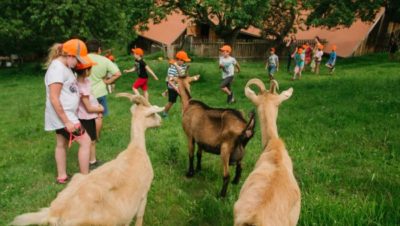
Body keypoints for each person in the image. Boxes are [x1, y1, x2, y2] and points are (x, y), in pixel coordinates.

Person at [44, 39, 92, 183]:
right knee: (86, 142)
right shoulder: (57, 69)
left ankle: (62, 176)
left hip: (65, 114)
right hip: (64, 116)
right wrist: (66, 121)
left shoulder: (63, 67)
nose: (78, 64)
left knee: (61, 144)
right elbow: (54, 97)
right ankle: (85, 179)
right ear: (69, 55)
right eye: (77, 60)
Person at [86, 40, 122, 139]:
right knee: (99, 116)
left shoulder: (82, 60)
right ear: (99, 49)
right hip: (100, 92)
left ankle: (88, 137)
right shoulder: (105, 60)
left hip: (85, 93)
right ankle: (96, 137)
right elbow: (118, 73)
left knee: (86, 116)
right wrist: (108, 82)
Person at [75, 57, 104, 170]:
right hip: (86, 117)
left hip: (91, 115)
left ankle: (92, 160)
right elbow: (88, 108)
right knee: (90, 140)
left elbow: (92, 98)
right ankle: (91, 162)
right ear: (86, 71)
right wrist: (100, 109)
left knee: (92, 139)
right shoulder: (81, 86)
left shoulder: (86, 81)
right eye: (90, 69)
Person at [161, 51, 191, 118]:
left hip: (181, 87)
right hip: (172, 87)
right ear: (179, 60)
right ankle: (164, 113)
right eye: (184, 61)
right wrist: (176, 89)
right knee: (171, 102)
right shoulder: (171, 68)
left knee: (183, 101)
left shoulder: (183, 66)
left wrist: (187, 70)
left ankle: (184, 114)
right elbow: (170, 81)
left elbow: (184, 76)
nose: (185, 62)